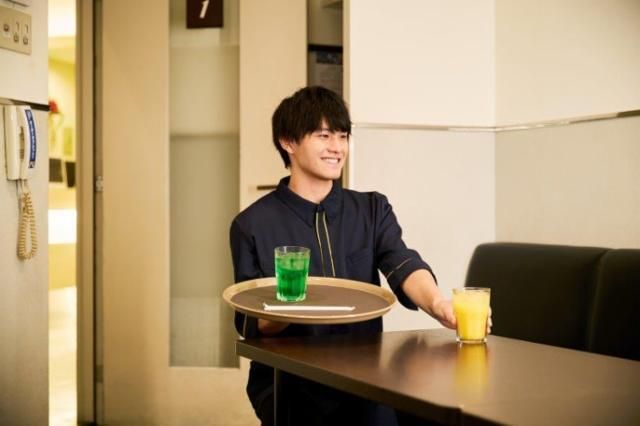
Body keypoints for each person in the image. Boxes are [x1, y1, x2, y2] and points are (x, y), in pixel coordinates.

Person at [230, 86, 468, 425]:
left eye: (342, 136)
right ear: (288, 142)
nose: (337, 147)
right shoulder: (251, 224)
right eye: (324, 135)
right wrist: (287, 304)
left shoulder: (372, 209)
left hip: (366, 378)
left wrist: (438, 304)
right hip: (290, 381)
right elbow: (249, 323)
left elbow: (402, 262)